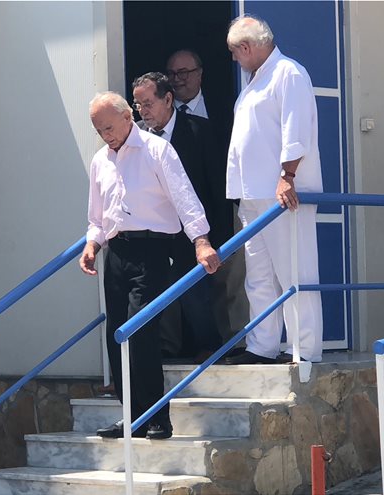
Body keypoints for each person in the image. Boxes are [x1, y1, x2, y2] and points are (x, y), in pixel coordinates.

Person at [80, 92, 220, 439]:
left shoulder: (157, 150)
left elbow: (185, 197)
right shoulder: (100, 161)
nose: (106, 136)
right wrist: (92, 244)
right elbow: (97, 216)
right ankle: (133, 417)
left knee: (140, 332)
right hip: (116, 252)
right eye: (99, 130)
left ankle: (158, 416)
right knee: (116, 335)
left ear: (128, 117)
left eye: (109, 127)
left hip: (153, 250)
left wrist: (201, 241)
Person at [223, 14, 324, 364]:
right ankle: (262, 347)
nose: (234, 59)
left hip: (282, 193)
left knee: (295, 273)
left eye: (235, 52)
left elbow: (296, 130)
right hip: (253, 194)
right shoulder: (255, 80)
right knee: (260, 277)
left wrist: (287, 175)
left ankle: (304, 350)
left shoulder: (288, 73)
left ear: (246, 47)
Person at [131, 72, 229, 362]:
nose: (143, 111)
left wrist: (220, 236)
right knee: (155, 294)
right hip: (152, 232)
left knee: (195, 293)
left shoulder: (200, 131)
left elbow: (217, 188)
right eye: (138, 105)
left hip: (194, 231)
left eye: (148, 103)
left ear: (168, 99)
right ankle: (163, 349)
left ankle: (210, 347)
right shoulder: (135, 136)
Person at [166, 50, 249, 353]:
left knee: (230, 275)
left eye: (184, 72)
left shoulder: (226, 109)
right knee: (174, 279)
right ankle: (173, 348)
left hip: (223, 203)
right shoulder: (160, 115)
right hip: (176, 212)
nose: (178, 80)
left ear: (200, 73)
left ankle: (235, 343)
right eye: (172, 74)